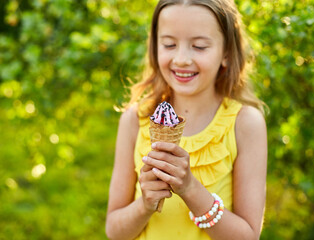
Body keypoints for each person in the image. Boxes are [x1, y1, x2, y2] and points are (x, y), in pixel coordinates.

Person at [105, 0, 267, 239]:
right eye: (169, 44)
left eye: (199, 46)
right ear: (155, 47)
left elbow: (248, 236)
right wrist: (145, 204)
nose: (181, 59)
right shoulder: (134, 120)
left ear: (226, 54)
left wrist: (191, 189)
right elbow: (114, 231)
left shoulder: (245, 123)